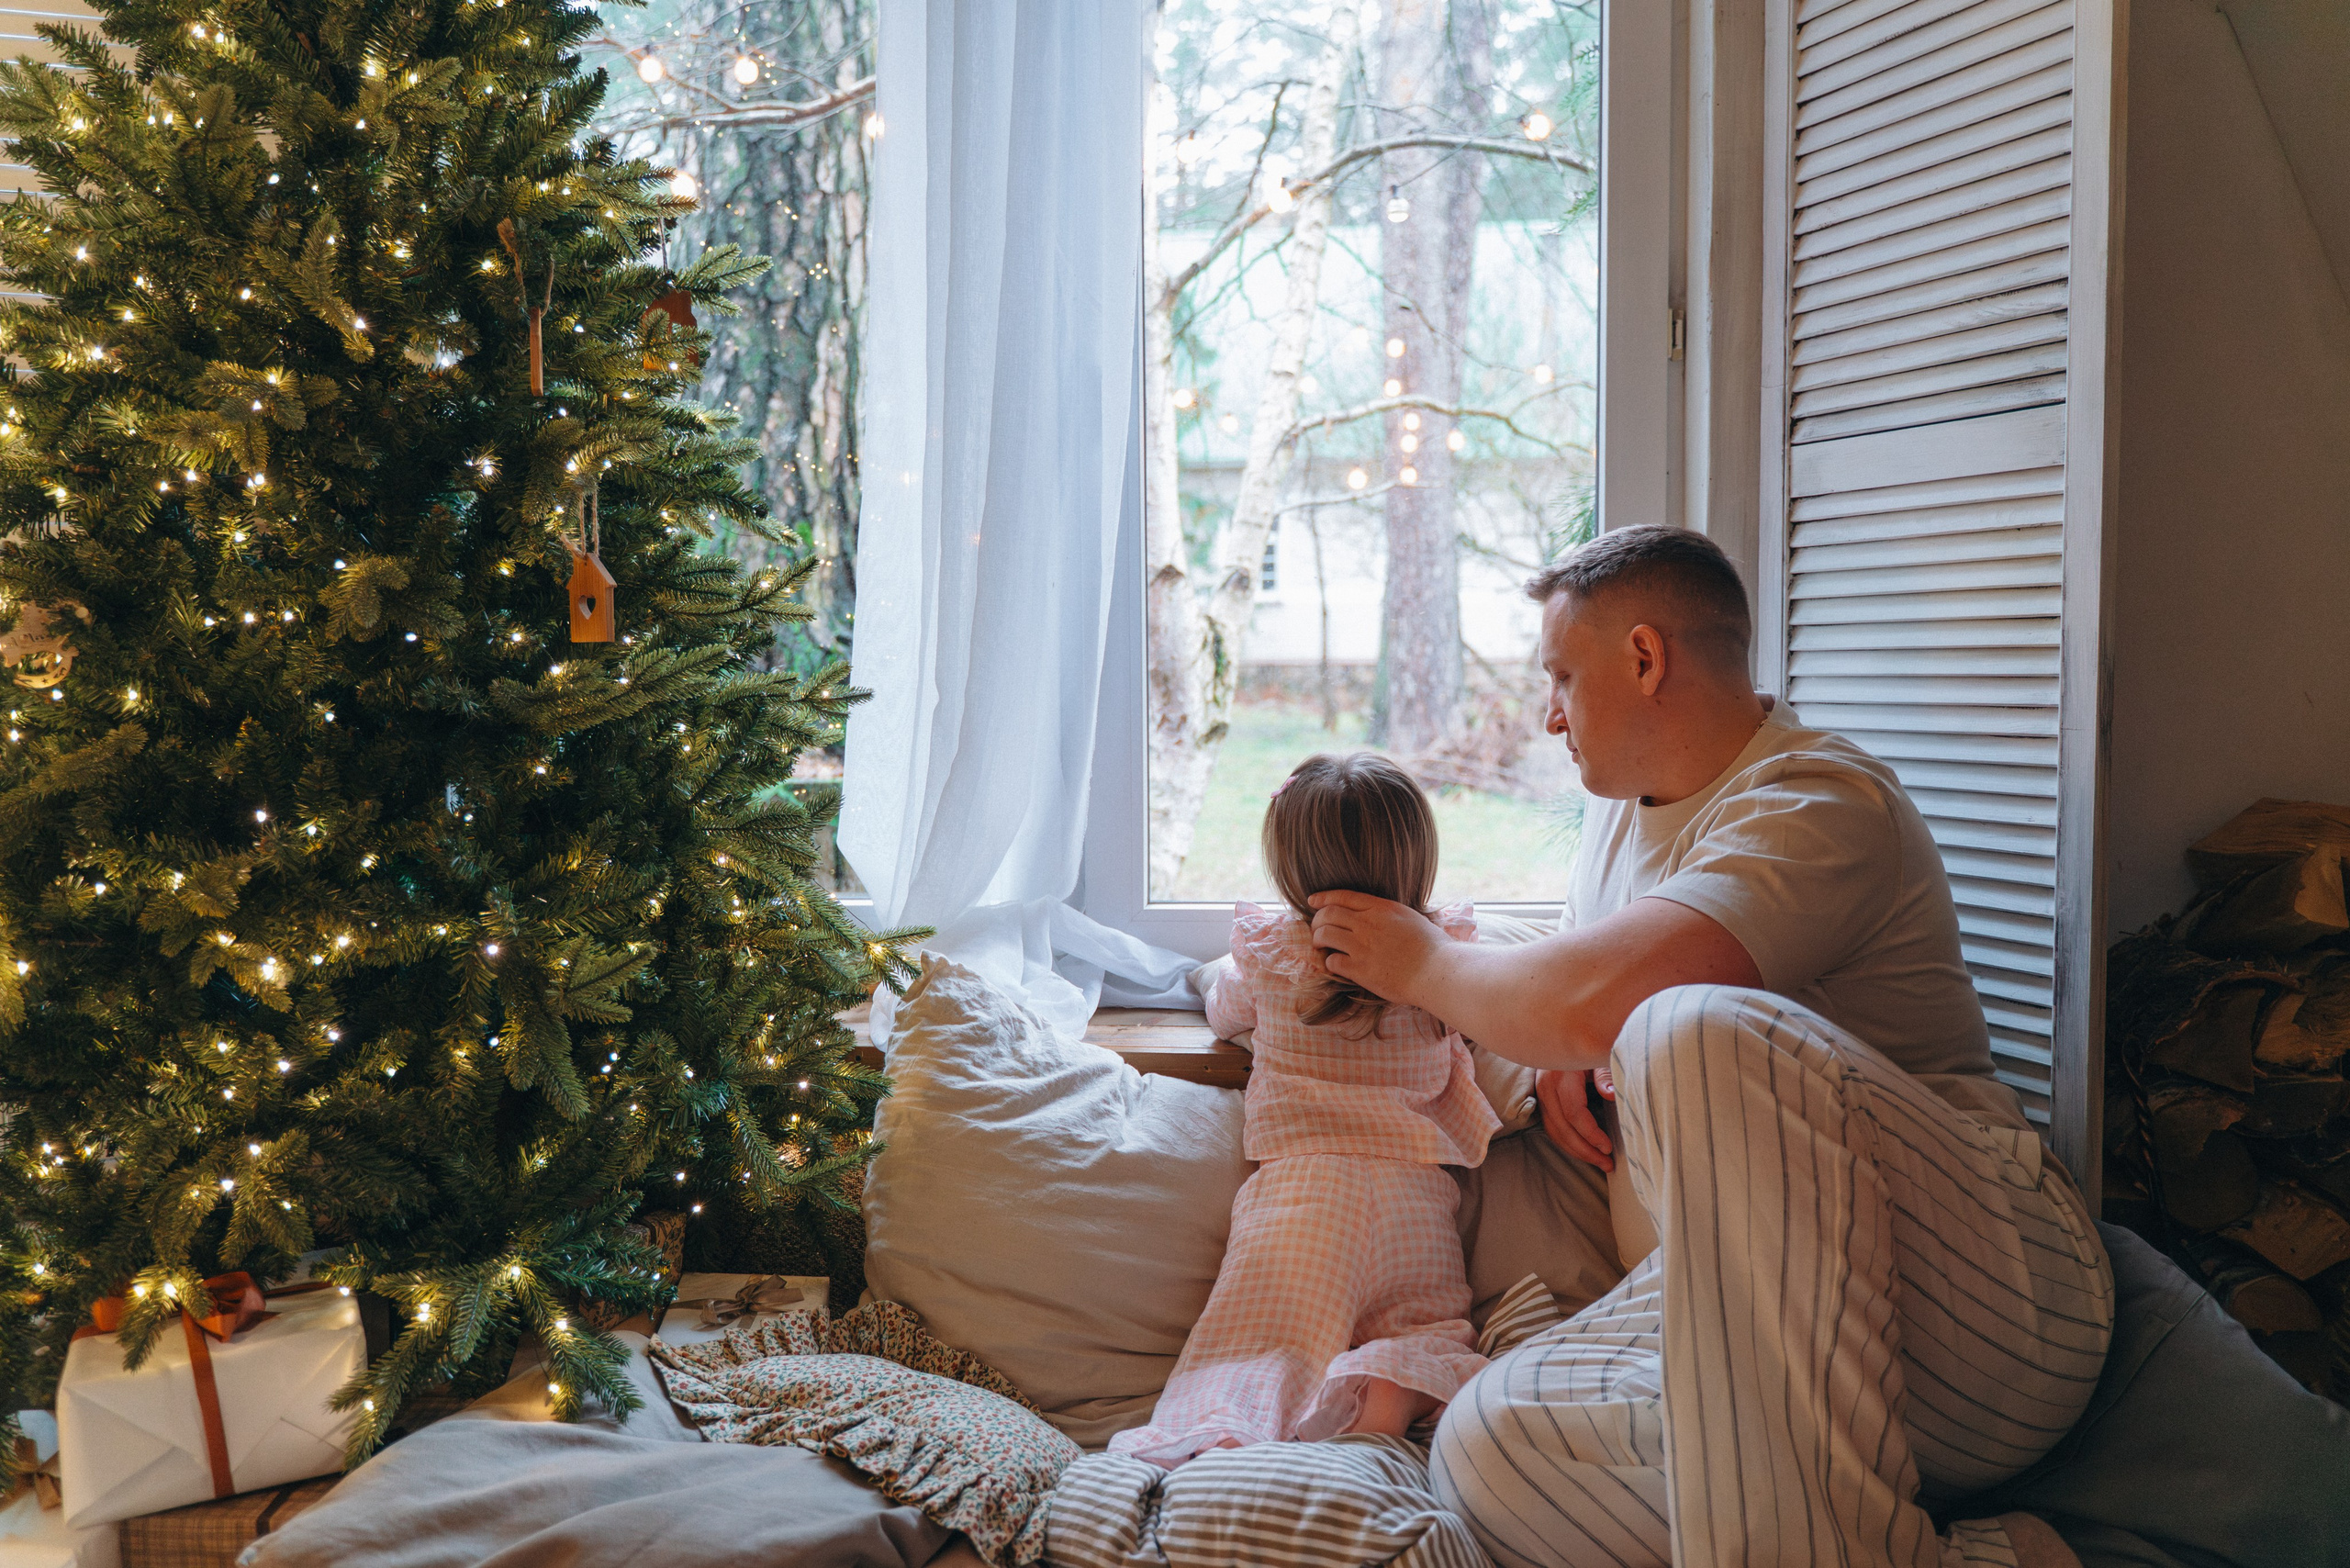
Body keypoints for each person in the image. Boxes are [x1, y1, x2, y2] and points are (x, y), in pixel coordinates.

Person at [1307, 527, 2111, 1568]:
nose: (1548, 714)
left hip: (1976, 1313)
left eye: (1561, 677)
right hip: (1743, 1349)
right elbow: (1588, 980)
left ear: (1645, 659)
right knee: (1481, 1448)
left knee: (1684, 1025)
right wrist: (1560, 1029)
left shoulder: (1822, 802)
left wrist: (1423, 966)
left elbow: (1622, 995)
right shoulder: (1617, 817)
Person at [1108, 752, 1500, 1467]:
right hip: (1419, 1199)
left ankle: (1228, 1448)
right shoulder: (1447, 957)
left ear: (1290, 869)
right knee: (1428, 1329)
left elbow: (1224, 1010)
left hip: (1304, 1198)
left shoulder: (1271, 953)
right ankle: (1387, 1388)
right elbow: (1483, 1016)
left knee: (1257, 1344)